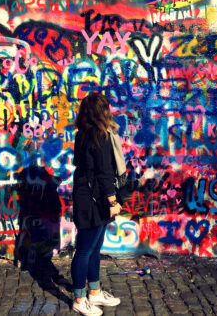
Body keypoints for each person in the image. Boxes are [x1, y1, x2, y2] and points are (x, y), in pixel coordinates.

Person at [71, 92, 123, 315]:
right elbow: (104, 173)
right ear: (102, 111)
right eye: (107, 108)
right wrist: (113, 201)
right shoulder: (99, 136)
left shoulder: (82, 134)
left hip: (88, 194)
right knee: (84, 250)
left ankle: (94, 292)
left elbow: (79, 163)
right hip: (94, 198)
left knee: (94, 249)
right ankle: (79, 299)